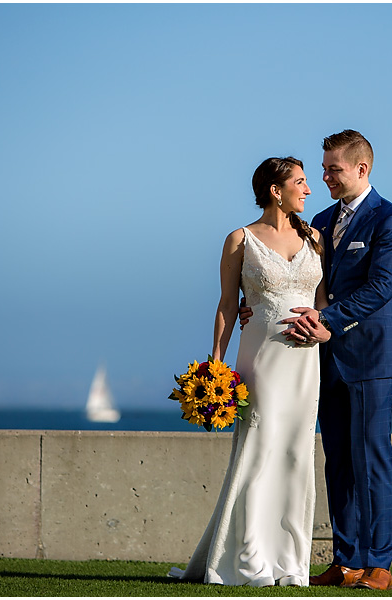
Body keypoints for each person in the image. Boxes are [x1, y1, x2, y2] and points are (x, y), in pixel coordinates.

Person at [241, 130, 392, 590]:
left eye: (333, 169)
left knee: (372, 457)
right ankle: (346, 560)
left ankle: (379, 563)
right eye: (322, 170)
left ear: (362, 169)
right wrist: (255, 306)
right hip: (320, 360)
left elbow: (381, 288)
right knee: (337, 459)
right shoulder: (317, 221)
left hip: (375, 358)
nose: (324, 178)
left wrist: (328, 319)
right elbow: (291, 276)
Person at [168, 157, 330, 587]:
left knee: (296, 454)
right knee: (259, 450)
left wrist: (322, 331)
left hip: (303, 364)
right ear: (276, 191)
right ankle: (249, 555)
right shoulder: (240, 239)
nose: (308, 190)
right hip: (259, 362)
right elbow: (226, 304)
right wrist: (215, 367)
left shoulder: (315, 238)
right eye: (300, 182)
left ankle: (291, 563)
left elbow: (325, 301)